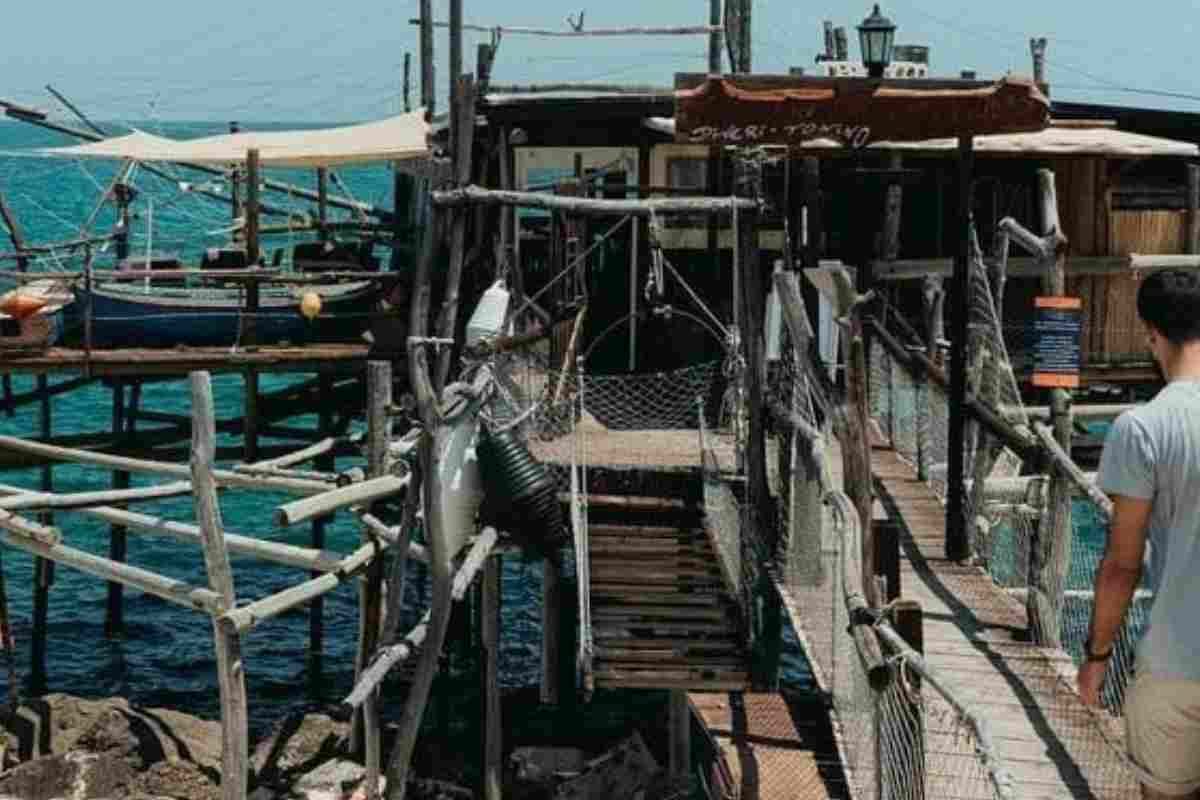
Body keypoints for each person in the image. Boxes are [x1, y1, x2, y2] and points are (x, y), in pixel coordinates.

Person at [1078, 268, 1200, 799]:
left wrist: (1097, 657)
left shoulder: (1141, 428)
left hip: (1177, 662)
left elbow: (1122, 564)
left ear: (1151, 333)